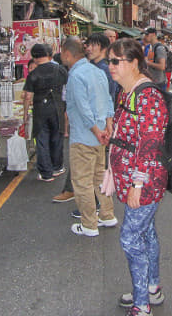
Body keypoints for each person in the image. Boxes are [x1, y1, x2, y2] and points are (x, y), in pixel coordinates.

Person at [107, 38, 168, 316]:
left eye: (115, 62)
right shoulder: (126, 92)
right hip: (132, 177)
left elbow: (150, 144)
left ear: (133, 63)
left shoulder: (148, 96)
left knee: (131, 238)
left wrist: (137, 185)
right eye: (109, 61)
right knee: (147, 234)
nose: (110, 67)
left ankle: (142, 305)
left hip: (144, 181)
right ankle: (151, 288)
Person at [61, 37, 116, 236]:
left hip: (85, 137)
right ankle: (107, 215)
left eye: (62, 53)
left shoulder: (75, 76)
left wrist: (96, 131)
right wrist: (107, 127)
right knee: (99, 178)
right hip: (101, 134)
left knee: (82, 182)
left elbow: (83, 109)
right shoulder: (98, 71)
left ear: (67, 54)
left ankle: (89, 224)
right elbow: (110, 100)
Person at [22, 44, 68, 182]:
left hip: (40, 108)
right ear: (49, 54)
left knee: (42, 140)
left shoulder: (33, 74)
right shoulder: (60, 69)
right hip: (58, 107)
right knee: (57, 136)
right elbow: (68, 88)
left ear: (34, 57)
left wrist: (25, 113)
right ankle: (57, 167)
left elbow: (28, 96)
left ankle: (46, 173)